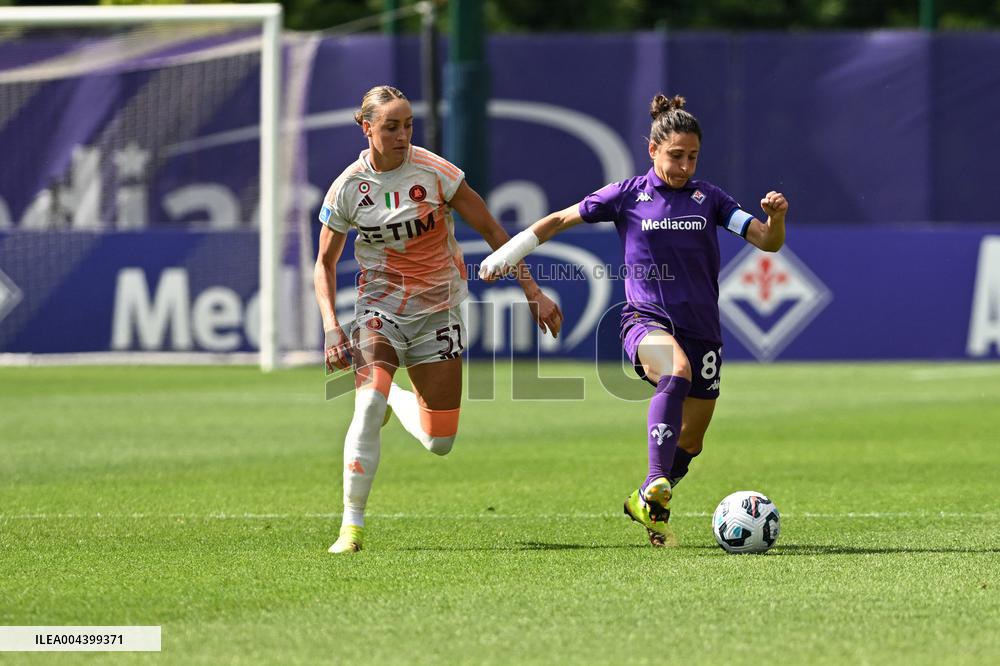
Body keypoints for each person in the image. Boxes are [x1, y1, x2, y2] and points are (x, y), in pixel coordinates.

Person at [480, 94, 787, 547]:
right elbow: (558, 220)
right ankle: (657, 479)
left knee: (693, 440)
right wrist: (509, 253)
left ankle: (648, 502)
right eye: (675, 156)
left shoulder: (710, 199)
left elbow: (767, 242)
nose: (684, 167)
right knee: (675, 371)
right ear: (653, 151)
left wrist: (775, 218)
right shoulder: (627, 196)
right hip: (645, 321)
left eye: (693, 157)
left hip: (702, 329)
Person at [315, 85, 562, 554]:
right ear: (366, 128)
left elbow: (493, 230)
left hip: (438, 311)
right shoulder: (348, 187)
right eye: (391, 126)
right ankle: (351, 528)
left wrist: (532, 290)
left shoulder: (435, 173)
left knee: (440, 441)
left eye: (408, 125)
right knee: (366, 406)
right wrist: (331, 325)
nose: (403, 134)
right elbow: (323, 263)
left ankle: (398, 400)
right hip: (378, 308)